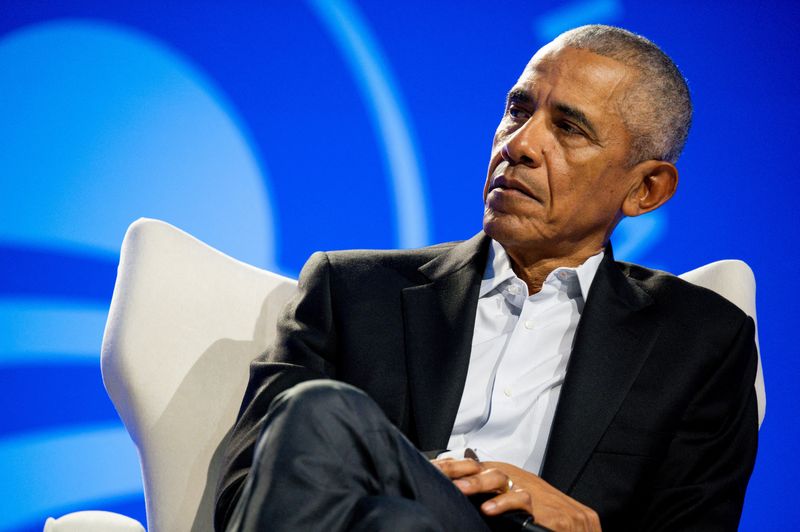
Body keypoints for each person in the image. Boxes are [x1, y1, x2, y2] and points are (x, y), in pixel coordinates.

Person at [215, 25, 758, 531]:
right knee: (345, 450)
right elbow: (249, 495)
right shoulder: (350, 292)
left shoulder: (698, 340)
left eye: (568, 128)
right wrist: (455, 476)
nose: (519, 145)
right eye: (517, 110)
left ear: (647, 190)